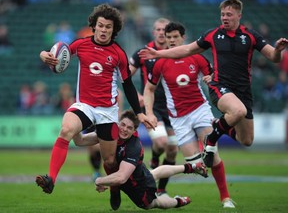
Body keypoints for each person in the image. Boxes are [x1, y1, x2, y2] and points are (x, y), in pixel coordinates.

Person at [139, 0, 288, 168]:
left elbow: (273, 57)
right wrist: (159, 54)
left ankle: (217, 127)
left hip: (243, 90)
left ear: (239, 15)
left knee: (246, 140)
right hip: (220, 86)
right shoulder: (213, 35)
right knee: (238, 110)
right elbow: (187, 49)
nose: (225, 17)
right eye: (222, 14)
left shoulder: (250, 36)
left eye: (229, 14)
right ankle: (211, 139)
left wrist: (277, 50)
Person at [35, 3, 154, 198]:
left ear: (113, 29)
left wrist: (140, 113)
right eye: (101, 25)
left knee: (108, 160)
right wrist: (43, 55)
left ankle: (114, 188)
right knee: (66, 130)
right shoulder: (81, 44)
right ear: (94, 26)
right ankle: (51, 179)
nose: (104, 30)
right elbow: (59, 53)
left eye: (108, 26)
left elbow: (128, 85)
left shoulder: (118, 54)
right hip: (84, 105)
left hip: (107, 110)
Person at [143, 21, 235, 208]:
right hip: (178, 119)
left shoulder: (197, 57)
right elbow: (149, 89)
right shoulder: (160, 63)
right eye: (169, 38)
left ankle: (225, 198)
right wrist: (149, 112)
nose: (172, 41)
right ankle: (202, 158)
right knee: (197, 165)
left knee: (212, 153)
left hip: (200, 110)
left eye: (175, 37)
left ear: (183, 38)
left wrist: (211, 79)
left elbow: (215, 77)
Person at [73, 109, 208, 210]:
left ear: (134, 131)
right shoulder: (111, 133)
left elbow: (121, 178)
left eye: (129, 128)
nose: (124, 129)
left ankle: (177, 201)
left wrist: (99, 180)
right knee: (153, 173)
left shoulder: (134, 147)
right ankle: (190, 167)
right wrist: (76, 124)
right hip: (130, 174)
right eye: (123, 125)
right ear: (118, 123)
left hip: (138, 185)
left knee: (155, 203)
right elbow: (80, 140)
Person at [129, 17, 178, 196]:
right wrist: (138, 95)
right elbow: (124, 77)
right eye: (157, 29)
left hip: (174, 108)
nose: (160, 32)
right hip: (152, 108)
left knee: (172, 151)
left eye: (163, 30)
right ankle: (156, 158)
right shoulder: (143, 52)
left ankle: (162, 190)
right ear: (153, 32)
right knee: (162, 142)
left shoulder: (177, 52)